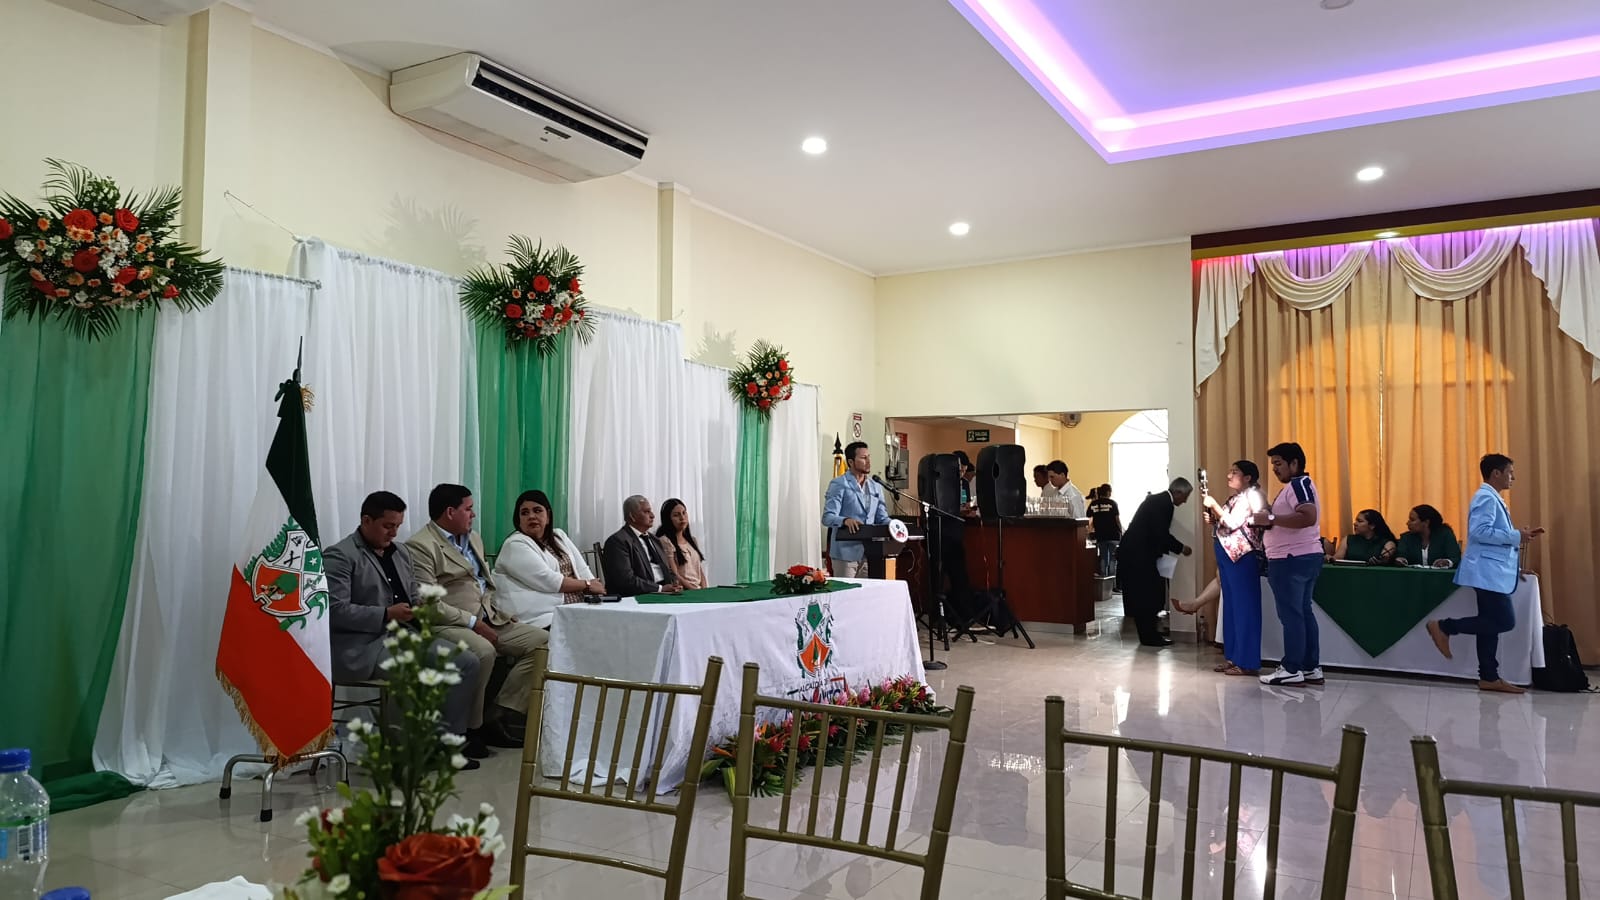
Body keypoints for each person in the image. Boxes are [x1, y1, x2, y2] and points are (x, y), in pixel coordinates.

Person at [325, 491, 482, 768]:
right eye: (388, 526)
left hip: (403, 635)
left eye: (398, 526)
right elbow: (336, 611)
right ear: (366, 520)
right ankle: (405, 752)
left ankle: (446, 745)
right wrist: (386, 614)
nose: (394, 533)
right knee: (411, 670)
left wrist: (421, 606)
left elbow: (412, 594)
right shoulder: (341, 556)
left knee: (467, 662)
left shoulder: (400, 553)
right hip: (363, 646)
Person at [407, 483, 548, 755]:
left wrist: (498, 613)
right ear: (450, 512)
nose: (473, 514)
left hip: (488, 616)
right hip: (448, 623)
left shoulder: (473, 537)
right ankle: (471, 730)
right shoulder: (421, 546)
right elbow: (429, 604)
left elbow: (483, 583)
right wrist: (474, 623)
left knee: (543, 642)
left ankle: (498, 711)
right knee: (483, 652)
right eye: (468, 509)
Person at [1427, 454, 1545, 694]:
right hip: (1487, 573)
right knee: (1504, 621)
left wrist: (1515, 565)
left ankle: (1489, 676)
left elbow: (1492, 540)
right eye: (1510, 472)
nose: (1513, 477)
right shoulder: (1486, 498)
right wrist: (1517, 536)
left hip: (1492, 571)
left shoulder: (1493, 498)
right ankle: (1444, 627)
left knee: (1490, 625)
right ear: (1496, 473)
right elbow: (1480, 532)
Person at [1179, 462, 1267, 676]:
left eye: (1234, 472)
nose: (1229, 475)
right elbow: (1226, 524)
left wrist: (1215, 506)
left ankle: (1247, 662)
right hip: (1229, 558)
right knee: (1232, 609)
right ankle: (1234, 657)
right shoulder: (1235, 498)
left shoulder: (1252, 496)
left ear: (1248, 477)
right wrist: (1214, 519)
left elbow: (1234, 523)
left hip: (1242, 558)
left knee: (1245, 609)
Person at [1253, 442, 1324, 687]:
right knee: (1302, 612)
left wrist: (1270, 518)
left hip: (1290, 559)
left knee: (1292, 615)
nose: (1274, 469)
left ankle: (1292, 668)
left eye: (1279, 463)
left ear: (1294, 463)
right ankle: (1310, 666)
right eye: (1273, 464)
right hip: (1302, 556)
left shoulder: (1299, 484)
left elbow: (1308, 516)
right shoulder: (1297, 486)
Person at [494, 489, 605, 629]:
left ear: (548, 516)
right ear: (519, 520)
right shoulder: (514, 544)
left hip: (578, 607)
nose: (531, 516)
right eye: (524, 513)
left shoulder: (559, 536)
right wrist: (587, 584)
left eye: (537, 510)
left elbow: (582, 568)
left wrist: (596, 590)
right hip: (539, 617)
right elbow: (549, 581)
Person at [1116, 478, 1194, 647]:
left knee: (1148, 595)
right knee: (1147, 596)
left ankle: (1150, 633)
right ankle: (1149, 636)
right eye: (1186, 496)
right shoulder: (1164, 504)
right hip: (1138, 556)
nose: (1185, 501)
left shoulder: (1158, 500)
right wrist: (1181, 548)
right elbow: (1160, 533)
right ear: (1178, 492)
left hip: (1137, 554)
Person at [821, 441, 889, 577]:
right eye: (863, 458)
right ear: (851, 462)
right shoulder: (839, 484)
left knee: (867, 591)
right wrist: (845, 520)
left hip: (870, 553)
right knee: (846, 590)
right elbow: (827, 517)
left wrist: (895, 526)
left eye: (869, 457)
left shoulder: (876, 486)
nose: (868, 461)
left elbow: (882, 518)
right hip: (845, 554)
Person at [602, 495, 683, 596]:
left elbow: (666, 569)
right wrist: (660, 588)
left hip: (664, 592)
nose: (652, 515)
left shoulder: (655, 540)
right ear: (632, 516)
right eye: (647, 512)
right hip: (637, 597)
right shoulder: (617, 541)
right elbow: (625, 580)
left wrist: (674, 583)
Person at [656, 498, 708, 589]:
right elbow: (674, 574)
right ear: (668, 519)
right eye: (676, 515)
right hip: (684, 591)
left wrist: (704, 589)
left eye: (684, 513)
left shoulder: (692, 540)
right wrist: (693, 590)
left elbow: (699, 570)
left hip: (698, 590)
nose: (682, 518)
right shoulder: (665, 541)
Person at [1395, 504, 1462, 569]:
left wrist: (1447, 562)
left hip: (1440, 576)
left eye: (1412, 520)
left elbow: (1456, 558)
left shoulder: (1445, 535)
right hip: (1413, 576)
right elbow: (1401, 555)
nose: (1407, 523)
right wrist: (1401, 560)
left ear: (1426, 522)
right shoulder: (1406, 538)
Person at [1332, 509, 1399, 565]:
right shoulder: (1348, 539)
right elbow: (1337, 558)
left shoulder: (1387, 543)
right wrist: (1330, 558)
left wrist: (1379, 562)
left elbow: (1385, 561)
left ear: (1372, 526)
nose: (1355, 523)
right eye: (1356, 521)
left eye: (1360, 521)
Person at [1087, 483, 1122, 578]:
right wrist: (1121, 531)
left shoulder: (1093, 504)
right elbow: (1117, 520)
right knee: (1113, 558)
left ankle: (1103, 576)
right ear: (1108, 492)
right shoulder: (1112, 503)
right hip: (1113, 535)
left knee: (1103, 557)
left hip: (1100, 535)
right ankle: (1112, 579)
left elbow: (1088, 517)